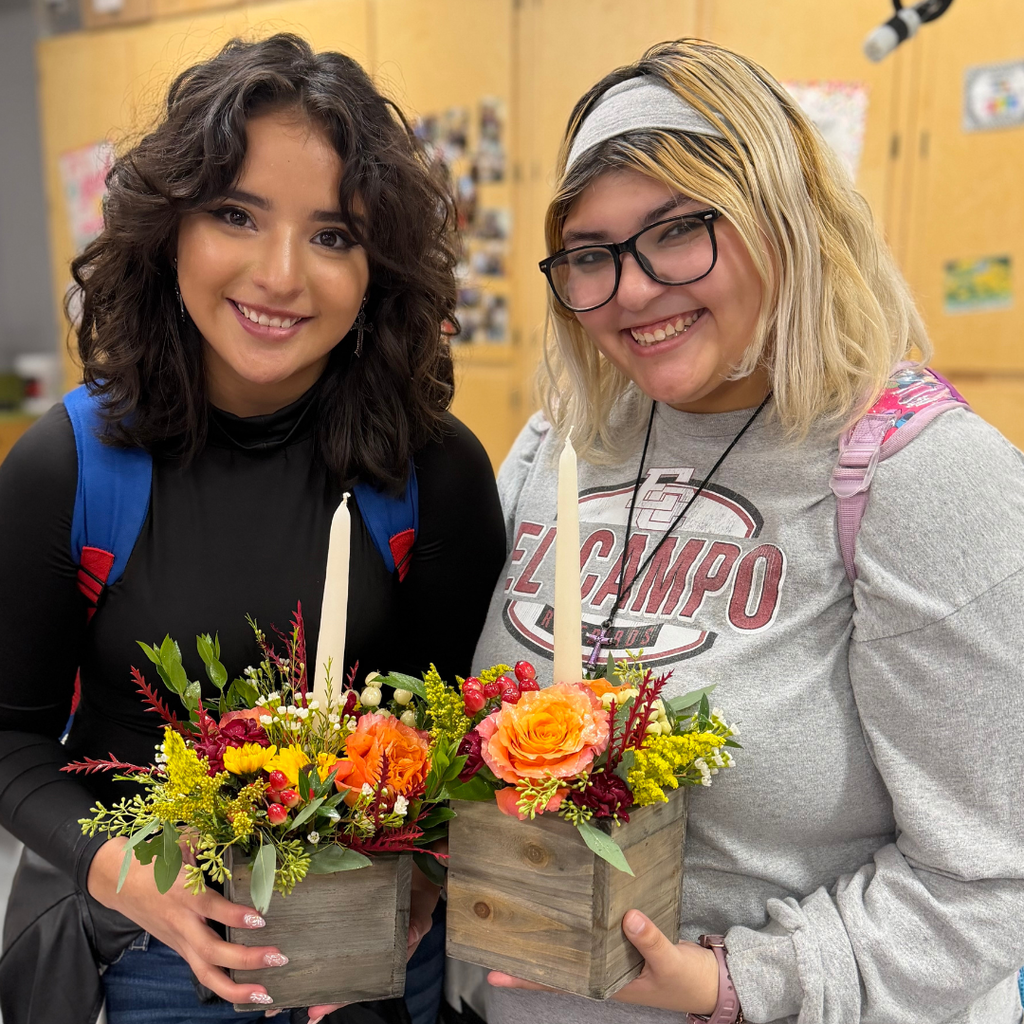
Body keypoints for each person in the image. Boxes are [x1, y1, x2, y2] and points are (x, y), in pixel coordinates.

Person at [465, 38, 1024, 1024]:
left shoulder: (916, 472)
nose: (630, 290)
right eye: (590, 255)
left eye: (677, 230)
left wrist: (734, 984)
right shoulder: (564, 436)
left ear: (784, 218)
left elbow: (989, 882)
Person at [0, 34, 505, 1024]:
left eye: (332, 234)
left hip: (370, 966)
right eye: (237, 214)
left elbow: (468, 751)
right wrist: (125, 871)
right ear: (170, 230)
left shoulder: (431, 470)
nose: (279, 275)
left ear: (378, 271)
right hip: (138, 958)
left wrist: (427, 884)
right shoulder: (69, 464)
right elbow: (10, 739)